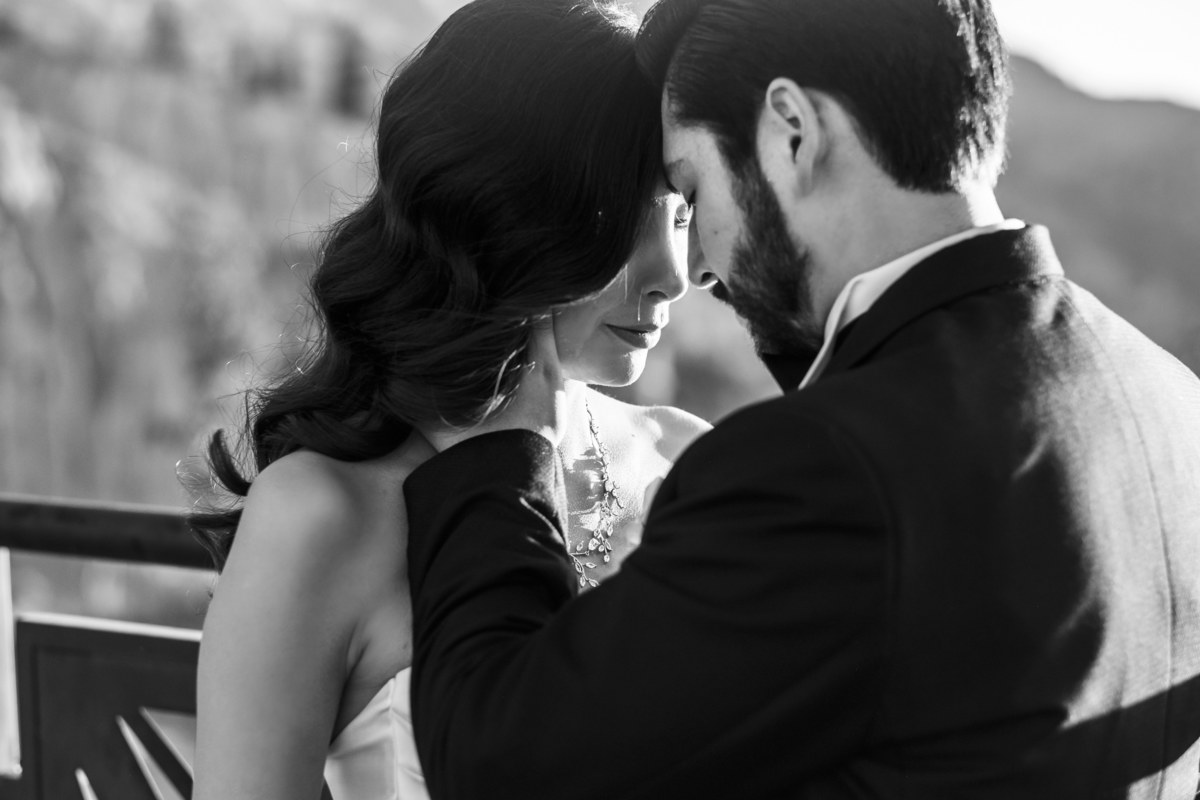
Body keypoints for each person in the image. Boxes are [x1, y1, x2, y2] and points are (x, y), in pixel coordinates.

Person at [403, 0, 1200, 797]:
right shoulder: (1173, 402)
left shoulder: (826, 468)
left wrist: (501, 453)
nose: (701, 269)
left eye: (693, 190)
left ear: (792, 130)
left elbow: (497, 763)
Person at [187, 2, 708, 798]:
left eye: (680, 210)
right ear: (518, 208)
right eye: (632, 213)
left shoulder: (687, 466)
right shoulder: (321, 517)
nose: (674, 270)